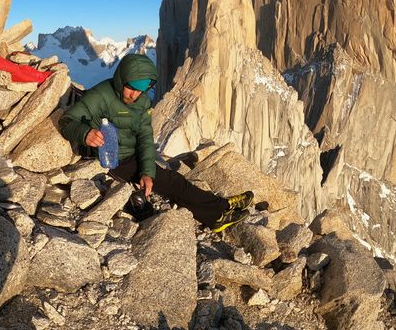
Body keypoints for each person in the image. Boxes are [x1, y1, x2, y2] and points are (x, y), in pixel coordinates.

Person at [59, 53, 254, 231]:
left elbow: (144, 136)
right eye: (131, 88)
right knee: (172, 182)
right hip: (111, 159)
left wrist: (146, 172)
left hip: (131, 152)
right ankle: (217, 216)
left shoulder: (142, 100)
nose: (134, 95)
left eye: (142, 90)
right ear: (121, 79)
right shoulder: (101, 95)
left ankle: (222, 205)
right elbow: (67, 121)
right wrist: (85, 134)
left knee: (169, 179)